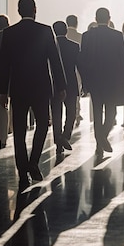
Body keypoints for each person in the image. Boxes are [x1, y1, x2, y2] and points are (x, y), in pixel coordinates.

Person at [0, 0, 66, 186]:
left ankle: (22, 168)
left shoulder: (10, 33)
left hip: (18, 88)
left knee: (19, 130)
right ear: (35, 9)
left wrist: (2, 91)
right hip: (41, 87)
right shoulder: (45, 30)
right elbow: (55, 60)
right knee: (43, 124)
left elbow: (4, 64)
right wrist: (61, 86)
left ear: (19, 11)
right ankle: (34, 162)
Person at [78, 7, 124, 158]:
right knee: (111, 112)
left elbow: (82, 60)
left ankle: (99, 143)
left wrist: (85, 82)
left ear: (96, 18)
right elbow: (123, 60)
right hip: (112, 81)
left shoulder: (87, 36)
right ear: (109, 18)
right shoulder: (117, 35)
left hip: (94, 81)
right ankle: (102, 137)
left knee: (97, 111)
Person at [51, 21, 78, 155]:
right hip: (71, 84)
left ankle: (58, 142)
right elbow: (80, 67)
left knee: (56, 114)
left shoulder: (49, 47)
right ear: (66, 31)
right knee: (72, 112)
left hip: (54, 84)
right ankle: (65, 135)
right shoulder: (74, 46)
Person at [65, 14, 83, 127]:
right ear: (76, 23)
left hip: (65, 68)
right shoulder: (81, 36)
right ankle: (77, 112)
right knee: (77, 91)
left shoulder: (63, 35)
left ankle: (75, 113)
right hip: (77, 68)